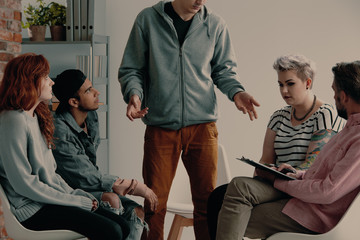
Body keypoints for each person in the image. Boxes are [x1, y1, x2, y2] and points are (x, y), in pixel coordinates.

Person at [118, 0, 260, 239]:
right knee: (155, 203)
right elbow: (132, 68)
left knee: (207, 204)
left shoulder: (215, 24)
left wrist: (237, 92)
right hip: (161, 127)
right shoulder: (148, 20)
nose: (200, 1)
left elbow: (224, 70)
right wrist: (134, 94)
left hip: (203, 127)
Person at [215, 60, 360, 240]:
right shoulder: (349, 129)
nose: (284, 90)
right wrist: (294, 173)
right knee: (234, 191)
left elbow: (327, 191)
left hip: (313, 215)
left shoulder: (348, 131)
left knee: (224, 213)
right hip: (302, 197)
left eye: (334, 92)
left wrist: (280, 182)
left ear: (344, 96)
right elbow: (317, 172)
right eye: (280, 84)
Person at [0, 53, 130, 240]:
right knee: (112, 231)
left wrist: (78, 195)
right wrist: (76, 201)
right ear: (30, 80)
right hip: (31, 210)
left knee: (123, 225)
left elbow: (51, 176)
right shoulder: (13, 120)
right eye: (45, 77)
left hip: (48, 202)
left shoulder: (37, 116)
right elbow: (24, 184)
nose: (51, 82)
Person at [51, 69, 159, 240]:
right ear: (73, 101)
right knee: (111, 200)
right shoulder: (59, 131)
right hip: (69, 192)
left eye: (92, 87)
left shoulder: (91, 116)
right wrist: (131, 185)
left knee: (136, 211)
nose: (96, 92)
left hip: (89, 186)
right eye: (88, 90)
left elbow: (89, 170)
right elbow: (82, 176)